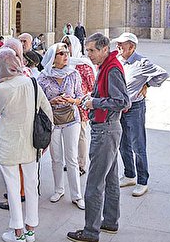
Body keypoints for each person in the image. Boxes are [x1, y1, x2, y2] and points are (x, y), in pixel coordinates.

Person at [67, 33, 130, 242]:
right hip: (108, 128)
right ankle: (110, 221)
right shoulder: (106, 66)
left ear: (104, 49)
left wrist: (95, 103)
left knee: (94, 183)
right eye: (87, 50)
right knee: (110, 179)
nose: (89, 54)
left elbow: (122, 101)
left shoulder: (111, 69)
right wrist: (92, 99)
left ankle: (90, 231)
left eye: (92, 50)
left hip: (106, 130)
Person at [0, 49, 53, 242]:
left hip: (9, 143)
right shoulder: (31, 82)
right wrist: (46, 139)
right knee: (32, 185)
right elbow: (46, 109)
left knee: (13, 187)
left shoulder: (2, 89)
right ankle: (31, 230)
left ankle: (17, 231)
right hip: (32, 143)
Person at [112, 33, 168, 197]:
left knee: (138, 145)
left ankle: (142, 181)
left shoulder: (141, 62)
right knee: (123, 143)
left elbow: (163, 74)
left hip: (135, 108)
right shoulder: (118, 61)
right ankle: (129, 174)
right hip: (120, 108)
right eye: (118, 44)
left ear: (132, 47)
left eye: (122, 45)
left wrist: (148, 84)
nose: (119, 47)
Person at [38, 43, 85, 210]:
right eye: (61, 53)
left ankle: (77, 195)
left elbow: (81, 97)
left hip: (72, 119)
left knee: (71, 157)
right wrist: (51, 102)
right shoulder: (43, 77)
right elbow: (39, 102)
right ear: (53, 57)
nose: (66, 56)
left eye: (66, 53)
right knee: (56, 158)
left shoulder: (73, 74)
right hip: (53, 121)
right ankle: (59, 189)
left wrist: (70, 100)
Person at [62, 35, 96, 175]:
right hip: (65, 107)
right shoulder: (63, 63)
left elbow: (92, 87)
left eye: (68, 45)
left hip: (80, 106)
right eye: (64, 46)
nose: (66, 49)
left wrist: (81, 99)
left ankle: (81, 164)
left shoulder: (83, 65)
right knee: (69, 137)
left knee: (80, 136)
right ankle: (71, 161)